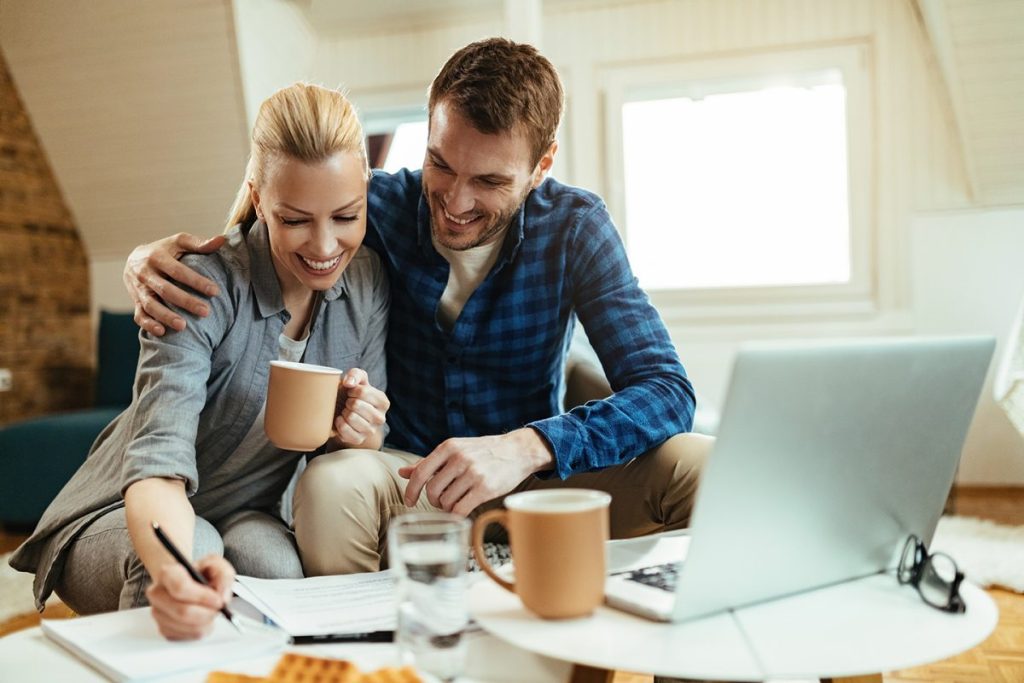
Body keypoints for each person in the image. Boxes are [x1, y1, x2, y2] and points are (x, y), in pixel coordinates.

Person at [123, 38, 714, 576]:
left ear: (542, 166)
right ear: (427, 132)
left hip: (536, 479)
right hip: (410, 479)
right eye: (441, 164)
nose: (455, 202)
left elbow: (666, 389)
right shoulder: (368, 210)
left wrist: (526, 446)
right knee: (332, 485)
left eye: (488, 181)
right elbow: (275, 216)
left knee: (703, 466)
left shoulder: (576, 228)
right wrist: (143, 257)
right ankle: (366, 655)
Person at [9, 83, 390, 640]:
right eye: (296, 220)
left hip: (248, 510)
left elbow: (359, 441)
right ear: (259, 198)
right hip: (124, 509)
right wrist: (173, 573)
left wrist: (359, 428)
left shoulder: (367, 283)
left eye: (345, 216)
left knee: (278, 570)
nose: (325, 245)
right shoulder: (198, 285)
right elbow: (155, 469)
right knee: (190, 552)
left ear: (365, 194)